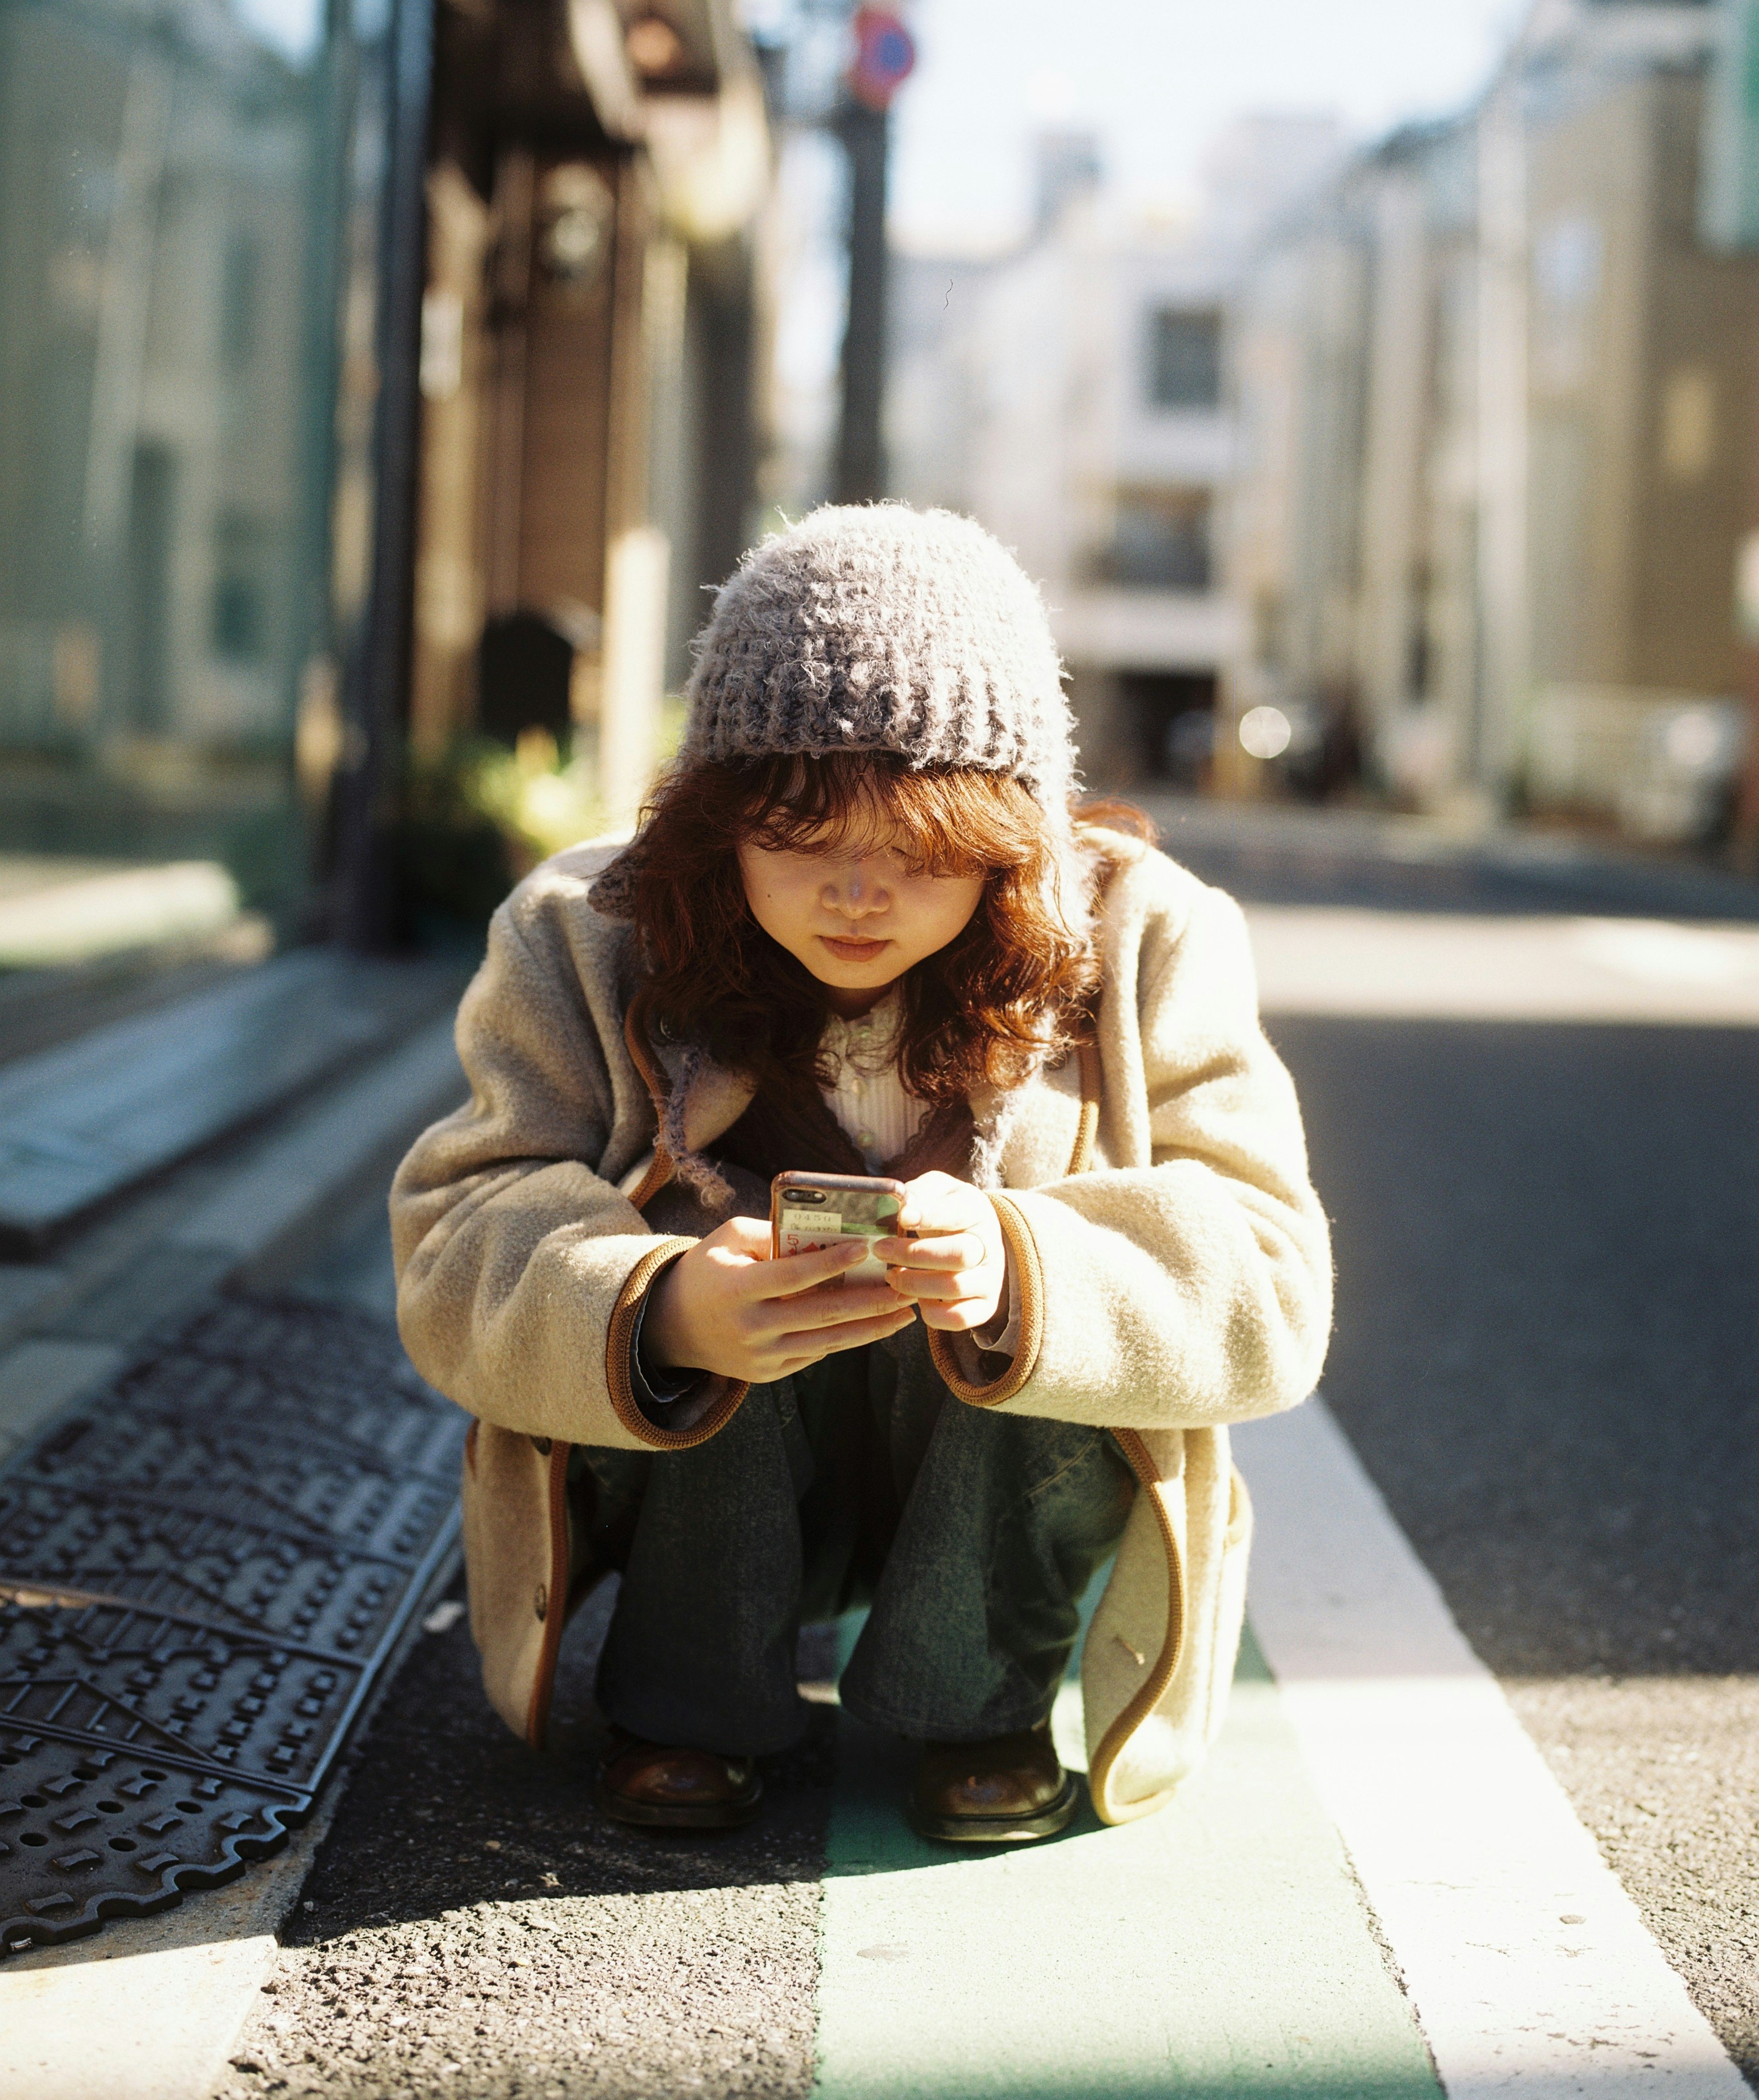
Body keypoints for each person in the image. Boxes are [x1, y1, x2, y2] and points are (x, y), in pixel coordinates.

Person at [390, 504, 1331, 1843]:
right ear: (718, 822)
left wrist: (1025, 1273)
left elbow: (1277, 1278)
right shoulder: (587, 932)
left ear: (1012, 835)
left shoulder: (1147, 938)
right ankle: (687, 1703)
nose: (857, 894)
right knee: (719, 1299)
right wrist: (660, 1306)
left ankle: (978, 1703)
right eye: (800, 829)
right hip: (710, 1468)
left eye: (921, 848)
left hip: (995, 1473)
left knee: (1039, 1305)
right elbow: (450, 1233)